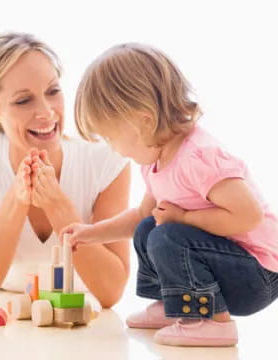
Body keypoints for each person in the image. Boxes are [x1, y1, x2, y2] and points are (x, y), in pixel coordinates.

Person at [62, 43, 278, 346]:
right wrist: (91, 233)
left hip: (257, 274)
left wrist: (185, 217)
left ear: (143, 121)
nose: (112, 148)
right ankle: (173, 304)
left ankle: (215, 323)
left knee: (167, 234)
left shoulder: (198, 157)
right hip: (221, 265)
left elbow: (248, 215)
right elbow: (140, 216)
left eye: (111, 137)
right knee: (148, 227)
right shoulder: (155, 164)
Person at [0, 32, 131, 308]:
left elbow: (110, 292)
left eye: (53, 92)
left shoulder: (105, 158)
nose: (46, 112)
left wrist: (58, 206)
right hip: (8, 320)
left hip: (85, 320)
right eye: (23, 101)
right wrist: (17, 200)